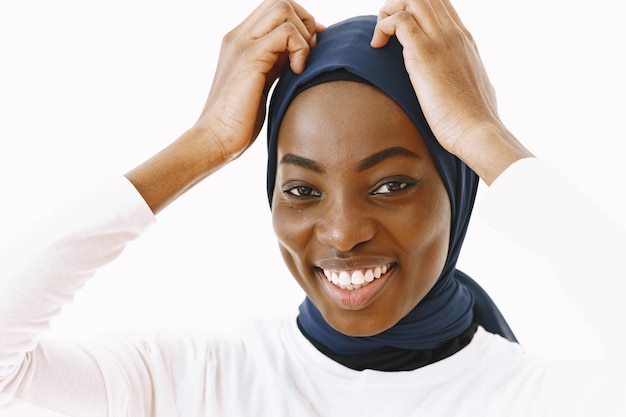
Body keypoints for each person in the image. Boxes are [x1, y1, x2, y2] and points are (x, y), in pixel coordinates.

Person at [0, 0, 624, 415]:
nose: (344, 233)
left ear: (458, 188)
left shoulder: (536, 399)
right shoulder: (197, 384)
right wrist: (207, 139)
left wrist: (485, 136)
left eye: (390, 186)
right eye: (300, 190)